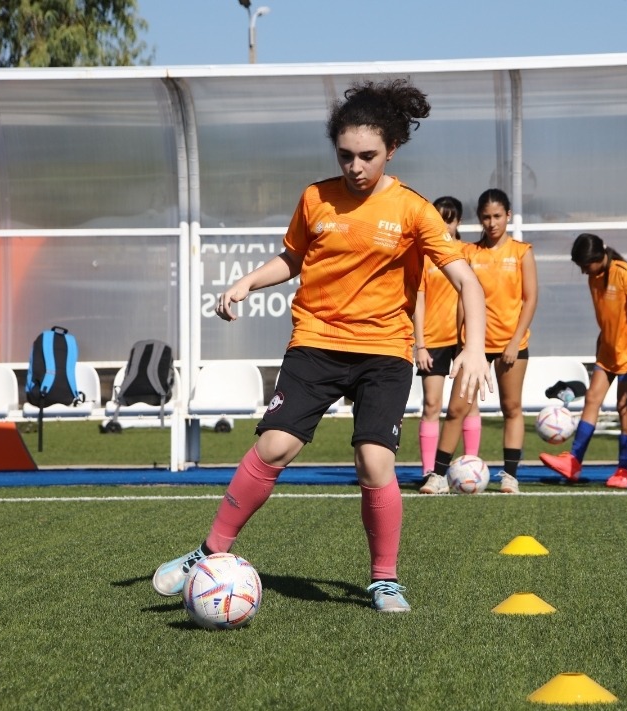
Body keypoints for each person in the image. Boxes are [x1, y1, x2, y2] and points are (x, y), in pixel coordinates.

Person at [151, 78, 492, 613]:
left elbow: (467, 281)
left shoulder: (413, 210)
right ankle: (208, 553)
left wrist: (473, 349)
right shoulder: (314, 197)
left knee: (373, 460)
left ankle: (384, 580)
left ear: (392, 150)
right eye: (345, 155)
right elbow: (292, 258)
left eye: (368, 156)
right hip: (316, 341)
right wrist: (248, 282)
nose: (355, 167)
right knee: (274, 447)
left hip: (383, 349)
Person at [422, 188, 538, 495]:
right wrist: (463, 343)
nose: (492, 223)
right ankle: (438, 475)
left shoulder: (522, 252)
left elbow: (530, 300)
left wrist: (514, 343)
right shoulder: (469, 253)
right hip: (475, 346)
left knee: (511, 407)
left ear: (508, 216)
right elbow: (463, 297)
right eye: (486, 217)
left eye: (497, 216)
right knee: (456, 409)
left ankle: (510, 476)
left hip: (511, 344)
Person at [539, 232, 627, 489]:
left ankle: (624, 470)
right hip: (608, 349)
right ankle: (573, 462)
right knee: (592, 398)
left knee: (624, 406)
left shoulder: (623, 273)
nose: (583, 272)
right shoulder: (594, 276)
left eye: (585, 266)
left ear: (599, 258)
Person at [413, 196, 482, 492]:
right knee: (432, 404)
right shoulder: (426, 256)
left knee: (469, 406)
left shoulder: (469, 253)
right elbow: (418, 299)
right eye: (439, 218)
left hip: (465, 343)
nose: (445, 224)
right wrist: (420, 344)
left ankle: (470, 466)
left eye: (450, 219)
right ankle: (431, 471)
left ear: (459, 222)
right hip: (434, 339)